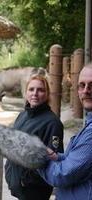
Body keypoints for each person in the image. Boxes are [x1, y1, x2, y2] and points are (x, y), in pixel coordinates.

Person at [5, 74, 64, 200]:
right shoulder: (22, 116)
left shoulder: (52, 123)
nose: (35, 93)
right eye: (31, 89)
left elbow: (53, 159)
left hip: (34, 190)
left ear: (47, 94)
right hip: (19, 187)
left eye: (40, 90)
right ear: (26, 92)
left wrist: (25, 180)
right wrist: (10, 172)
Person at [38, 63, 92, 200]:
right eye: (82, 85)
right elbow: (80, 160)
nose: (86, 90)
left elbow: (63, 174)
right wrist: (57, 157)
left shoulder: (53, 121)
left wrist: (35, 158)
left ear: (48, 93)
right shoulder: (88, 122)